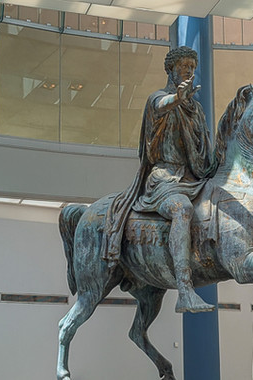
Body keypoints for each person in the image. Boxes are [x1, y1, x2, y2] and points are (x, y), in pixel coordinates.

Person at [104, 46, 217, 313]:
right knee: (183, 209)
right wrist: (177, 98)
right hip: (165, 178)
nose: (189, 71)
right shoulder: (159, 98)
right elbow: (161, 106)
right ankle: (185, 291)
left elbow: (204, 148)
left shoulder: (196, 109)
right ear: (170, 69)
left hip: (193, 177)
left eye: (192, 67)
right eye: (184, 67)